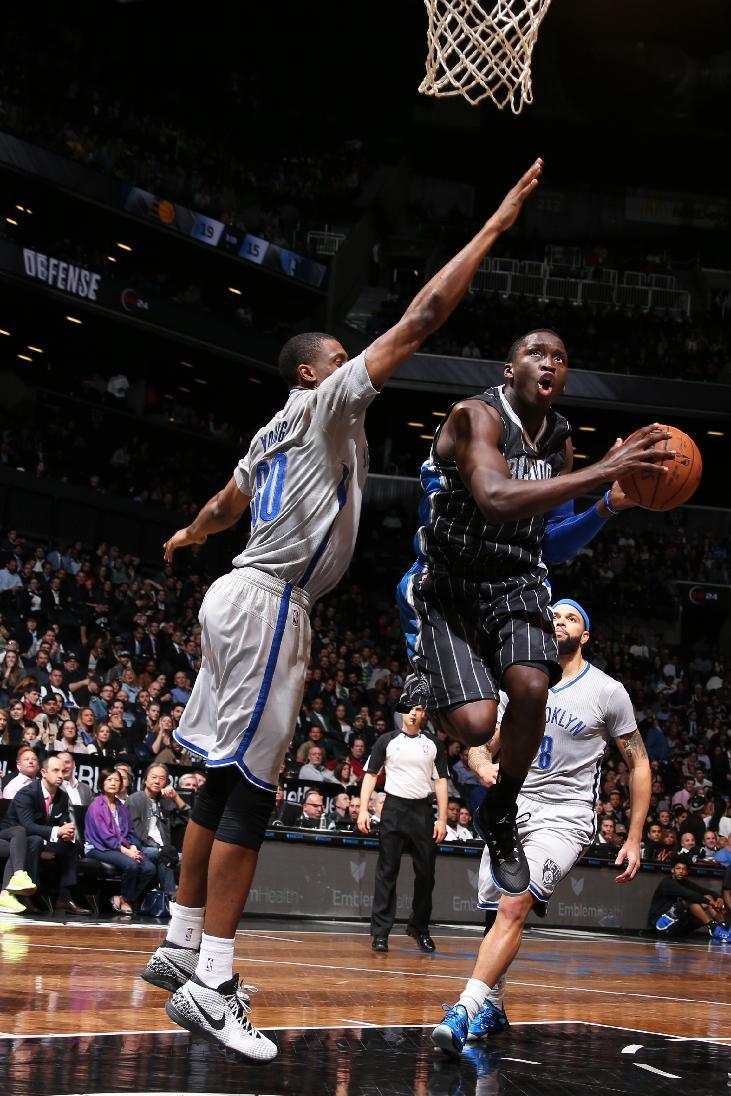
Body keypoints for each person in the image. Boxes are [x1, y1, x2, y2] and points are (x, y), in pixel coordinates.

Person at [140, 159, 553, 1061]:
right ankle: (212, 980)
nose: (354, 364)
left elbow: (224, 503)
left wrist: (185, 536)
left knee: (218, 777)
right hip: (270, 606)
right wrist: (494, 225)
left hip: (235, 592)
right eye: (338, 356)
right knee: (251, 789)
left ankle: (177, 943)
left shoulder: (267, 432)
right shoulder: (324, 404)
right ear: (311, 371)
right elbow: (421, 318)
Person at [398, 335, 671, 894]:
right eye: (537, 352)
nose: (550, 362)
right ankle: (428, 674)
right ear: (509, 369)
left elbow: (550, 542)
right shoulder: (476, 416)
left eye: (562, 358)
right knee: (476, 725)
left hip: (514, 581)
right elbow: (496, 498)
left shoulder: (561, 440)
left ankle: (500, 810)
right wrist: (604, 471)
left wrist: (607, 503)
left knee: (531, 687)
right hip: (449, 583)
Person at [431, 598, 652, 1057]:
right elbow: (482, 744)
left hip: (566, 816)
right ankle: (493, 1005)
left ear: (585, 635)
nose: (560, 621)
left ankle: (464, 1008)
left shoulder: (608, 692)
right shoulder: (521, 682)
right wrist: (482, 764)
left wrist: (633, 838)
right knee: (496, 911)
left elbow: (639, 763)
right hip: (512, 805)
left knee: (514, 903)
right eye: (554, 616)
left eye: (571, 617)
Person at [358, 703, 448, 953]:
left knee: (426, 875)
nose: (412, 713)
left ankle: (419, 928)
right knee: (387, 872)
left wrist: (442, 819)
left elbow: (441, 781)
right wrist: (364, 809)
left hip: (422, 811)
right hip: (394, 809)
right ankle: (380, 933)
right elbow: (370, 775)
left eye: (418, 709)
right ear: (401, 713)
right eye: (408, 709)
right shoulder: (386, 740)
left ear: (423, 713)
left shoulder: (433, 744)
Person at [4, 754, 88, 913]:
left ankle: (65, 898)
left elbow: (63, 819)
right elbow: (27, 826)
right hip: (17, 838)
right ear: (43, 772)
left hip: (45, 837)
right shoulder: (26, 793)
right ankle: (29, 895)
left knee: (72, 845)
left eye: (63, 771)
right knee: (34, 840)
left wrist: (67, 831)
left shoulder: (62, 795)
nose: (60, 775)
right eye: (55, 770)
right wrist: (57, 831)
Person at [84, 769, 156, 914]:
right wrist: (127, 852)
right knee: (132, 865)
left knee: (149, 868)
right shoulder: (96, 806)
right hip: (98, 847)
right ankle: (127, 901)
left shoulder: (121, 806)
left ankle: (123, 898)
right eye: (109, 780)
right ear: (102, 783)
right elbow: (105, 837)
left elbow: (130, 831)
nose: (113, 783)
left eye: (116, 780)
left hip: (121, 846)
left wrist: (134, 846)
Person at [127, 763, 189, 896]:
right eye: (154, 777)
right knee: (164, 855)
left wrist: (176, 797)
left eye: (162, 778)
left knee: (188, 858)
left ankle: (186, 900)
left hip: (165, 849)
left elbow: (188, 820)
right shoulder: (135, 800)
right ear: (145, 779)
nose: (157, 781)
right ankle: (171, 896)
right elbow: (135, 832)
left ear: (166, 782)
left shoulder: (166, 802)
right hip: (142, 847)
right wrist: (160, 848)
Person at [648, 857, 729, 941]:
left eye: (683, 869)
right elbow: (690, 895)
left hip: (677, 924)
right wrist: (711, 903)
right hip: (661, 924)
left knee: (707, 896)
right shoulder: (667, 883)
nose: (681, 871)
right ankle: (712, 926)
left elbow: (706, 891)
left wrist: (719, 898)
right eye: (678, 868)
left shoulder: (685, 883)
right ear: (672, 870)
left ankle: (724, 928)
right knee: (690, 899)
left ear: (686, 872)